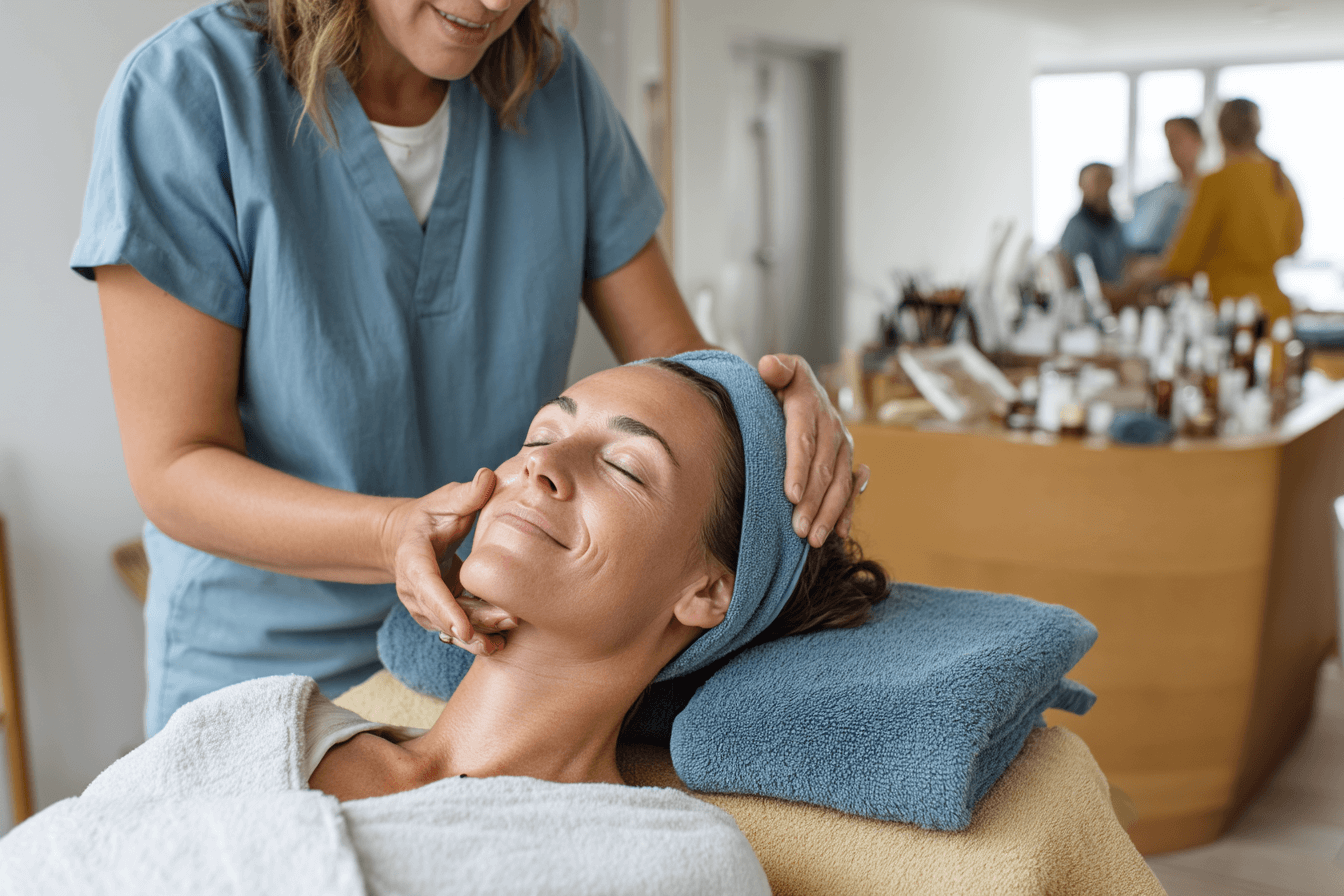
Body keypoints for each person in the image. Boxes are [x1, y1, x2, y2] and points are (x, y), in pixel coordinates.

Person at [75, 0, 865, 736]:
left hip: (494, 654)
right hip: (261, 672)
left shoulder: (554, 88)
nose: (492, 3)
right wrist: (392, 535)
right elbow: (174, 465)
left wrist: (772, 408)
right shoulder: (191, 93)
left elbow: (685, 384)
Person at [0, 354, 890, 894]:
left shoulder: (675, 860)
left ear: (706, 593)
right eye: (541, 433)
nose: (543, 465)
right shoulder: (253, 723)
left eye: (625, 467)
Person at [1159, 98, 1304, 319]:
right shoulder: (1280, 179)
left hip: (1228, 311)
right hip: (1274, 309)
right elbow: (1293, 243)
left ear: (1219, 133)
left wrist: (1150, 270)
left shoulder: (1215, 182)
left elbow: (1183, 259)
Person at [1125, 116, 1204, 257]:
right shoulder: (1158, 196)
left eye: (1178, 140)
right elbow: (1136, 241)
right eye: (1170, 142)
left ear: (1198, 141)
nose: (1174, 148)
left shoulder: (1214, 189)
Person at [1057, 162, 1129, 296]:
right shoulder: (1077, 229)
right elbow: (1081, 286)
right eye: (1099, 181)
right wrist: (1125, 293)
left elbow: (1125, 266)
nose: (1105, 188)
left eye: (1109, 181)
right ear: (1082, 185)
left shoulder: (1115, 226)